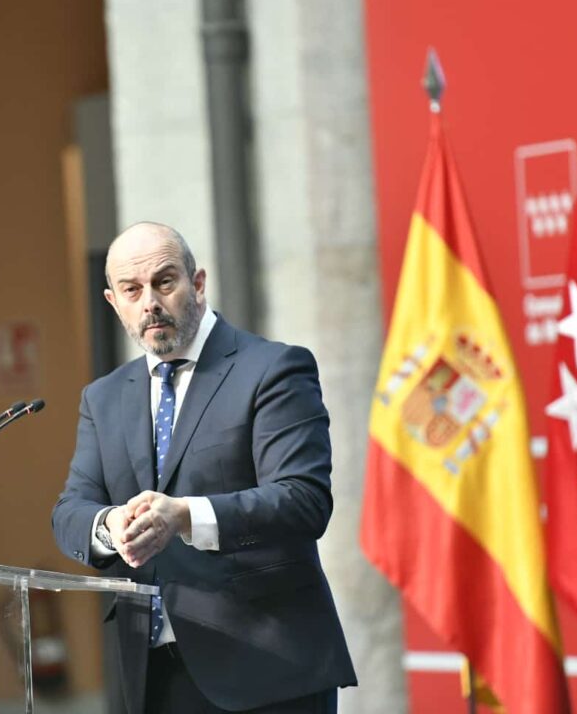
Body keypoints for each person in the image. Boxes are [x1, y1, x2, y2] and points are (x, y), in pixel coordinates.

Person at [52, 222, 357, 714]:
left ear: (197, 284)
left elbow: (303, 500)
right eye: (132, 290)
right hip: (157, 674)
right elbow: (71, 510)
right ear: (113, 302)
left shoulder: (272, 368)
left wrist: (184, 516)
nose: (149, 302)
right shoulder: (103, 397)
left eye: (164, 282)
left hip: (269, 668)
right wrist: (108, 525)